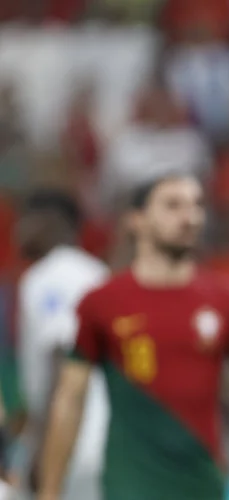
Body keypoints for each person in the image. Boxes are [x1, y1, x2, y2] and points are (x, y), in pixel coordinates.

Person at [37, 175, 229, 500]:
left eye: (197, 205)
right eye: (173, 205)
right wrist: (50, 490)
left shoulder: (225, 300)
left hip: (204, 482)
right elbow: (70, 399)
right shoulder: (102, 303)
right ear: (136, 220)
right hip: (130, 484)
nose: (190, 217)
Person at [15, 190, 109, 500]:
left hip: (72, 443)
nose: (18, 229)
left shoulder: (48, 276)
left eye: (26, 218)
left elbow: (64, 356)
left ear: (52, 222)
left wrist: (42, 449)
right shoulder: (97, 272)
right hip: (107, 439)